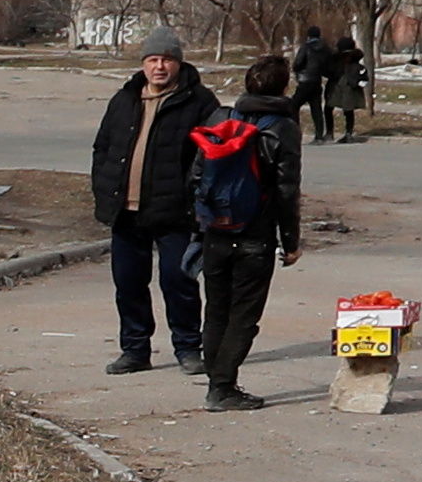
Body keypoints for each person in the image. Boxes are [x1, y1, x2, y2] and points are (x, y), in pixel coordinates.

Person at [86, 29, 217, 375]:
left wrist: (198, 203)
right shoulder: (125, 99)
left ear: (179, 62)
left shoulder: (200, 102)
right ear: (143, 63)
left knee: (179, 282)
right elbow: (103, 147)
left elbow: (213, 157)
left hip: (176, 213)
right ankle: (134, 349)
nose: (160, 67)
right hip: (125, 213)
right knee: (128, 283)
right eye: (153, 60)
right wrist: (102, 189)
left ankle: (189, 348)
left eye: (167, 59)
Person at [184, 72, 303, 411]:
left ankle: (215, 383)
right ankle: (223, 387)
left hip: (216, 231)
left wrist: (199, 224)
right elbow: (286, 190)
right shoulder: (283, 128)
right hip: (254, 235)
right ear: (283, 88)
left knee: (216, 311)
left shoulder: (222, 118)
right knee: (244, 316)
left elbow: (194, 176)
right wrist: (290, 241)